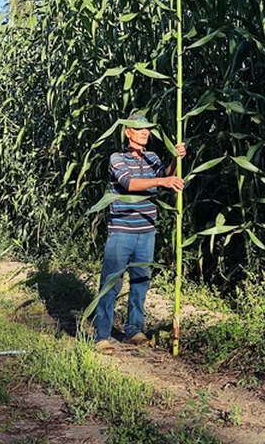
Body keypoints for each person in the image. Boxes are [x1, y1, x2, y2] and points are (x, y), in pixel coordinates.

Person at [94, 113, 185, 352]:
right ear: (128, 132)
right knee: (111, 283)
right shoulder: (117, 158)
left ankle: (134, 330)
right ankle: (101, 336)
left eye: (147, 130)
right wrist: (164, 182)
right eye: (139, 129)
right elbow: (131, 184)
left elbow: (166, 174)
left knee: (140, 283)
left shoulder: (152, 157)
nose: (145, 133)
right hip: (122, 232)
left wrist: (176, 159)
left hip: (147, 232)